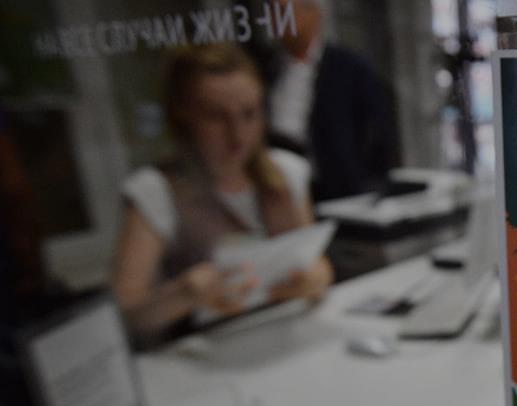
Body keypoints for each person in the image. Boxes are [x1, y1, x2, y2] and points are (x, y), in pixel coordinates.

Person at [112, 44, 333, 344]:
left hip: (284, 341)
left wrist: (315, 278)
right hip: (202, 355)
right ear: (183, 116)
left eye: (249, 113)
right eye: (216, 117)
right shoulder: (155, 191)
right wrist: (184, 294)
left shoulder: (286, 173)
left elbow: (317, 266)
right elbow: (122, 319)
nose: (237, 134)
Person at [266, 0, 398, 201]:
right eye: (272, 12)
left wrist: (367, 188)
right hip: (281, 190)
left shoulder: (349, 69)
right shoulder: (266, 68)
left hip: (340, 194)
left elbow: (379, 136)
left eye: (284, 12)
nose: (277, 21)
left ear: (313, 14)